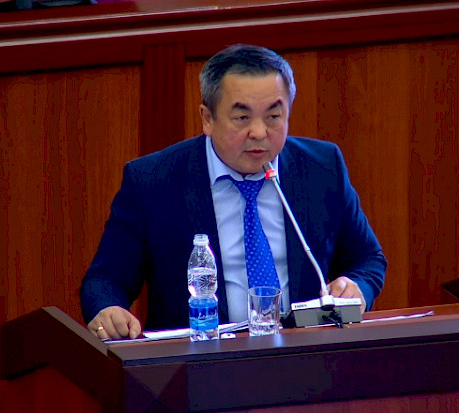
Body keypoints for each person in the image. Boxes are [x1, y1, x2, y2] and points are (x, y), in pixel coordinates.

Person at [80, 44, 387, 340]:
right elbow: (105, 280)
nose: (259, 132)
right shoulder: (153, 180)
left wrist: (356, 286)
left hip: (303, 354)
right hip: (196, 361)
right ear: (207, 119)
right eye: (242, 118)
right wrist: (108, 310)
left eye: (273, 116)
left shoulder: (322, 168)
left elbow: (368, 259)